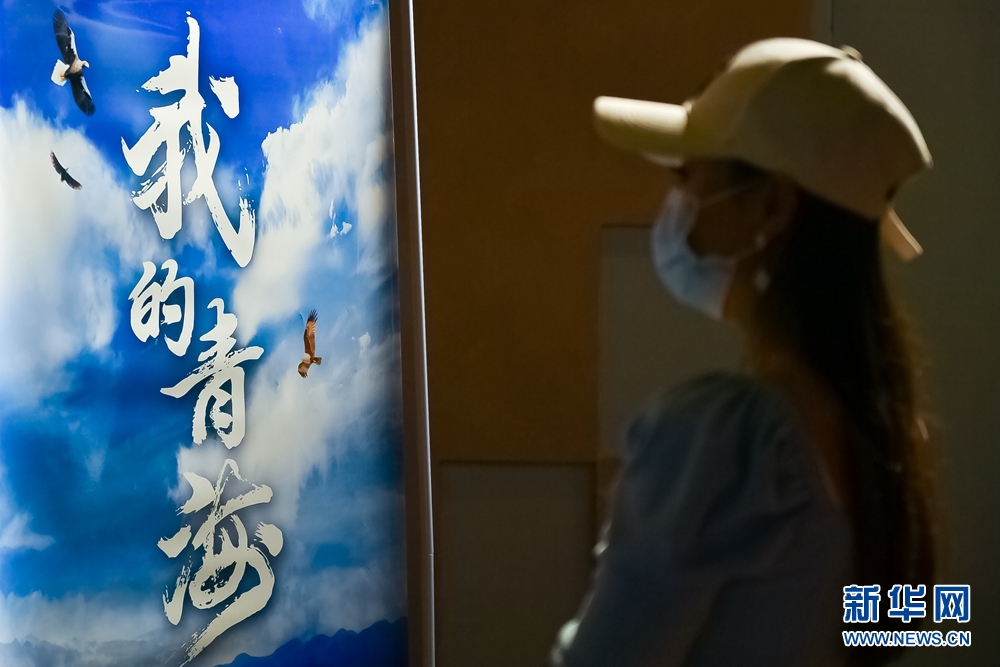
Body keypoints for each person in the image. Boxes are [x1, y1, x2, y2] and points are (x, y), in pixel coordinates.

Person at [550, 38, 938, 666]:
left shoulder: (725, 441)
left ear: (771, 205)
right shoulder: (889, 436)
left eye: (688, 178)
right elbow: (917, 627)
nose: (674, 205)